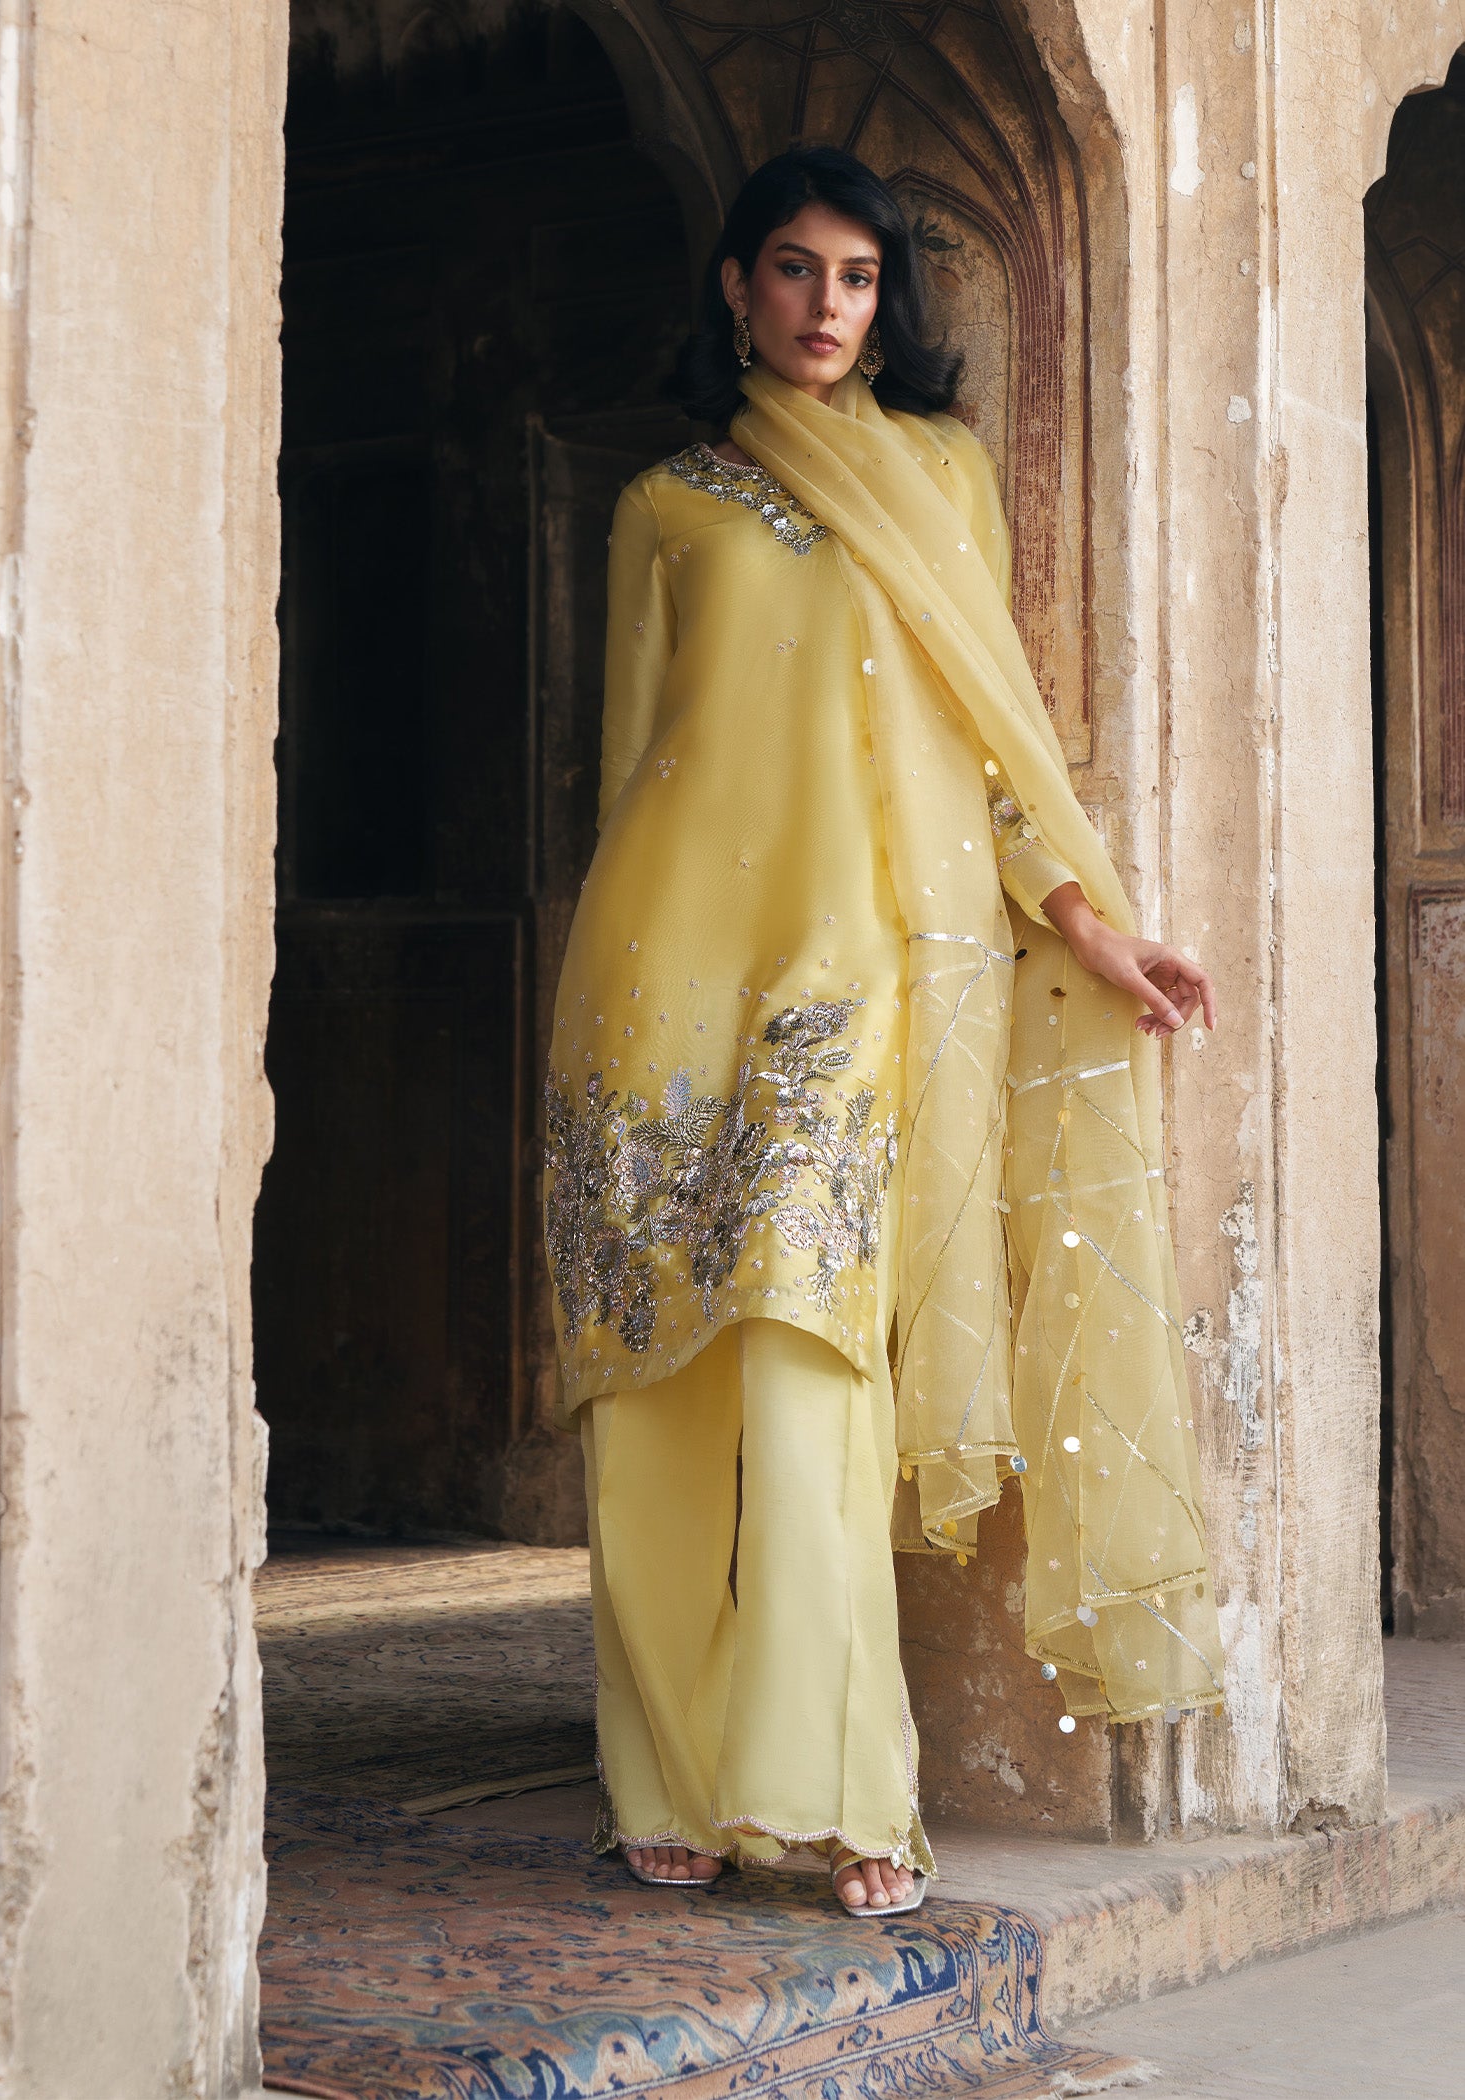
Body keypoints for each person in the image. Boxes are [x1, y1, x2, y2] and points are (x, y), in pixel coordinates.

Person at [542, 146, 1225, 1918]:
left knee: (814, 1367)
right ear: (737, 285)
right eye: (795, 268)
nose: (827, 305)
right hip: (656, 974)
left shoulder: (937, 476)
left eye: (857, 277)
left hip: (849, 981)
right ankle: (665, 1779)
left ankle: (847, 1795)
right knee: (653, 1382)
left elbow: (993, 749)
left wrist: (1084, 914)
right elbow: (628, 770)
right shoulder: (665, 505)